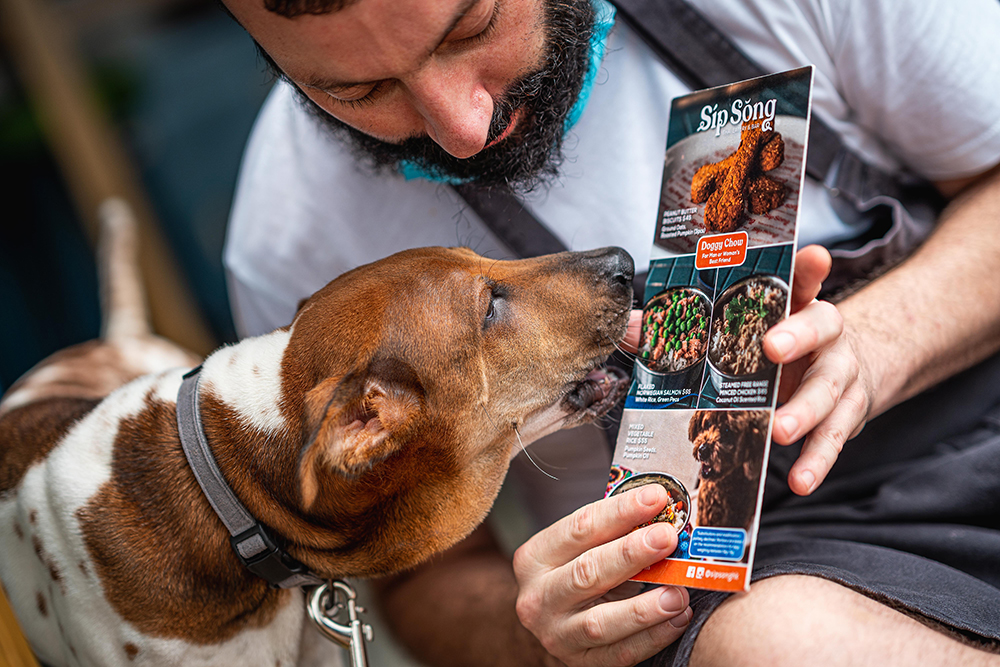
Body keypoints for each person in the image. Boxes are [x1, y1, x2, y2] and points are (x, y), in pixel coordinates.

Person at [219, 0, 1000, 664]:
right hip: (785, 573)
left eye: (471, 27)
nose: (462, 126)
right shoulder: (293, 244)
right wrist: (539, 629)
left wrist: (878, 339)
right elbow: (417, 575)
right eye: (360, 90)